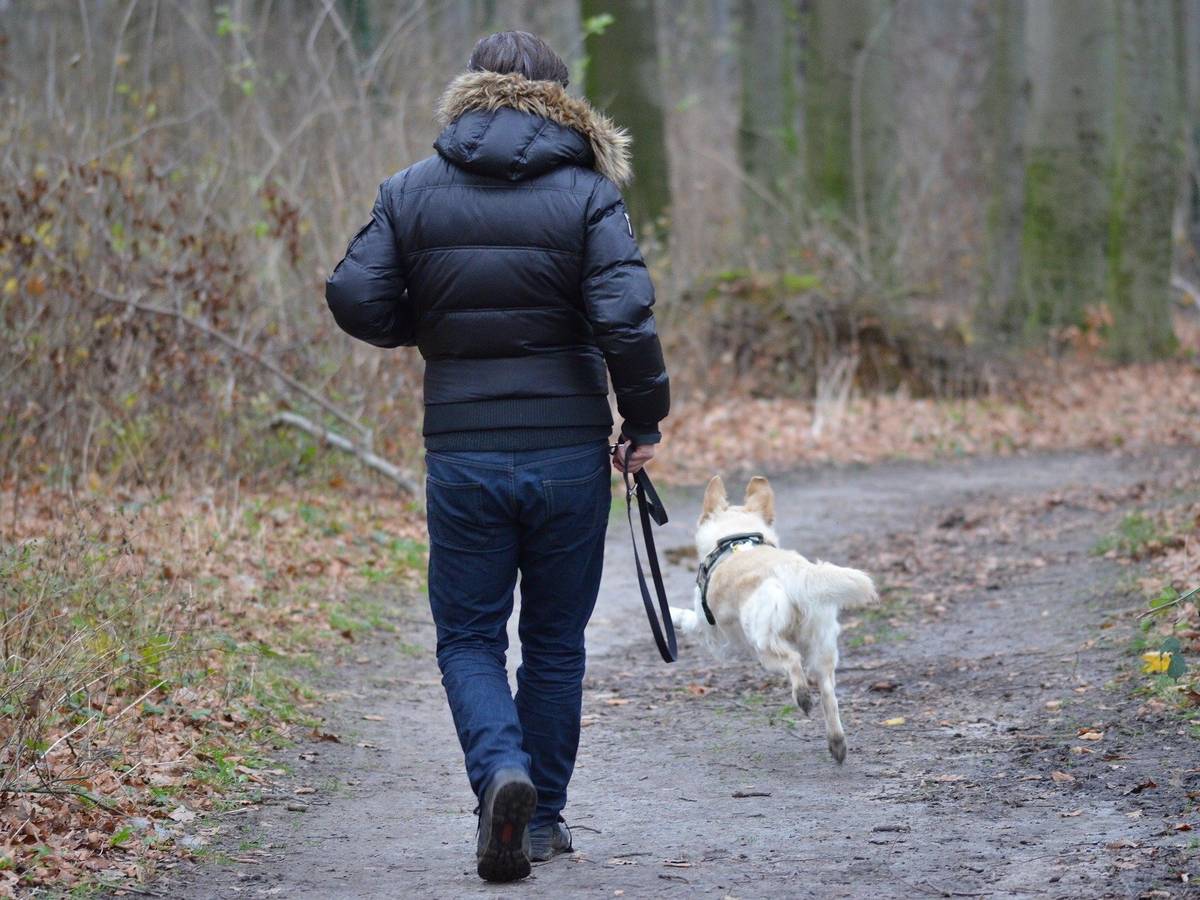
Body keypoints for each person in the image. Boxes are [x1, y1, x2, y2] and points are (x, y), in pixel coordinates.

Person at [324, 30, 670, 883]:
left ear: (470, 90)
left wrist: (433, 329)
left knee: (470, 638)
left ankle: (500, 774)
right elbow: (624, 317)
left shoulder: (411, 189)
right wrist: (644, 419)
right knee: (554, 641)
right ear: (561, 99)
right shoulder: (589, 193)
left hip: (464, 449)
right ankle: (540, 819)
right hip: (567, 451)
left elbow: (355, 294)